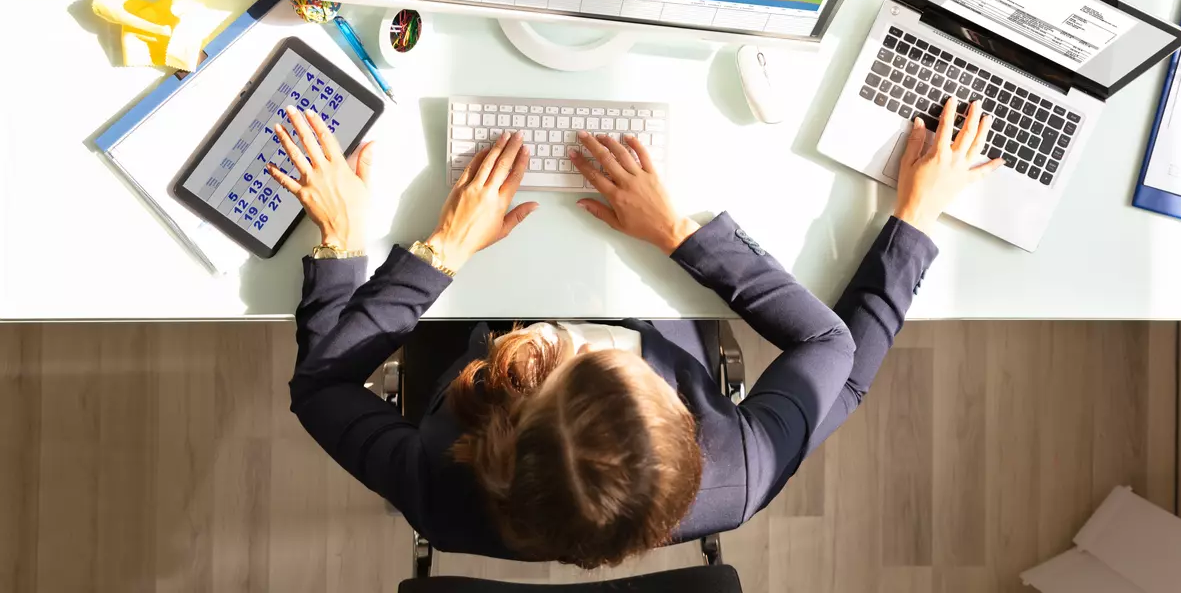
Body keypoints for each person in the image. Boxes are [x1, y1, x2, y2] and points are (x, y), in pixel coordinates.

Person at [273, 95, 1000, 569]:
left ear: (498, 427)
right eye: (616, 364)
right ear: (690, 429)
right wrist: (683, 236)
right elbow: (842, 359)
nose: (587, 335)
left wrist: (403, 246)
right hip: (657, 275)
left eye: (572, 358)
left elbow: (320, 384)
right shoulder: (737, 474)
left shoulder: (438, 484)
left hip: (481, 303)